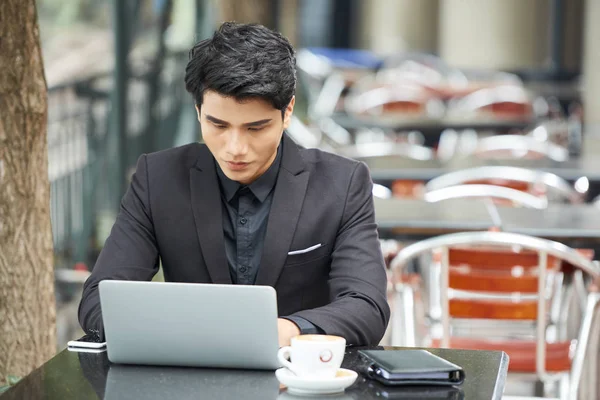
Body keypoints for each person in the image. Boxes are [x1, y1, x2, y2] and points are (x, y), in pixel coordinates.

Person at [78, 22, 390, 347]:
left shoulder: (342, 184)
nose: (235, 148)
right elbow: (97, 302)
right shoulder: (157, 179)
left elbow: (367, 307)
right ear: (199, 111)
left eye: (255, 128)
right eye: (218, 124)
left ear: (288, 112)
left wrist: (289, 331)